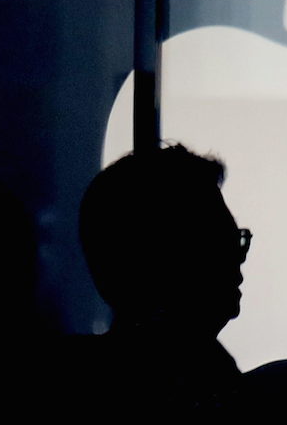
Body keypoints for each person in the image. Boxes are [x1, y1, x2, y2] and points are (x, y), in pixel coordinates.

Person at [77, 143, 251, 413]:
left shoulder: (212, 373)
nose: (238, 259)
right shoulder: (209, 385)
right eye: (217, 242)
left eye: (235, 240)